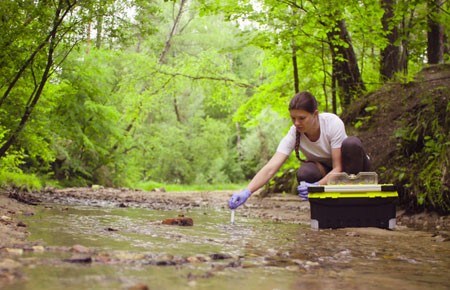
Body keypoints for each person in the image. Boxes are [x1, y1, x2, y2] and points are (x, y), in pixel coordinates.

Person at [228, 91, 371, 209]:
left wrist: (316, 186)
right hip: (327, 171)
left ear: (315, 114)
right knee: (305, 173)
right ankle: (326, 209)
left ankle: (356, 205)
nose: (297, 123)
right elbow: (271, 168)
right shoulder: (294, 133)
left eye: (302, 118)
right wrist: (247, 191)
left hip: (352, 168)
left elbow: (338, 168)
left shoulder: (332, 123)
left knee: (352, 144)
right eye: (293, 118)